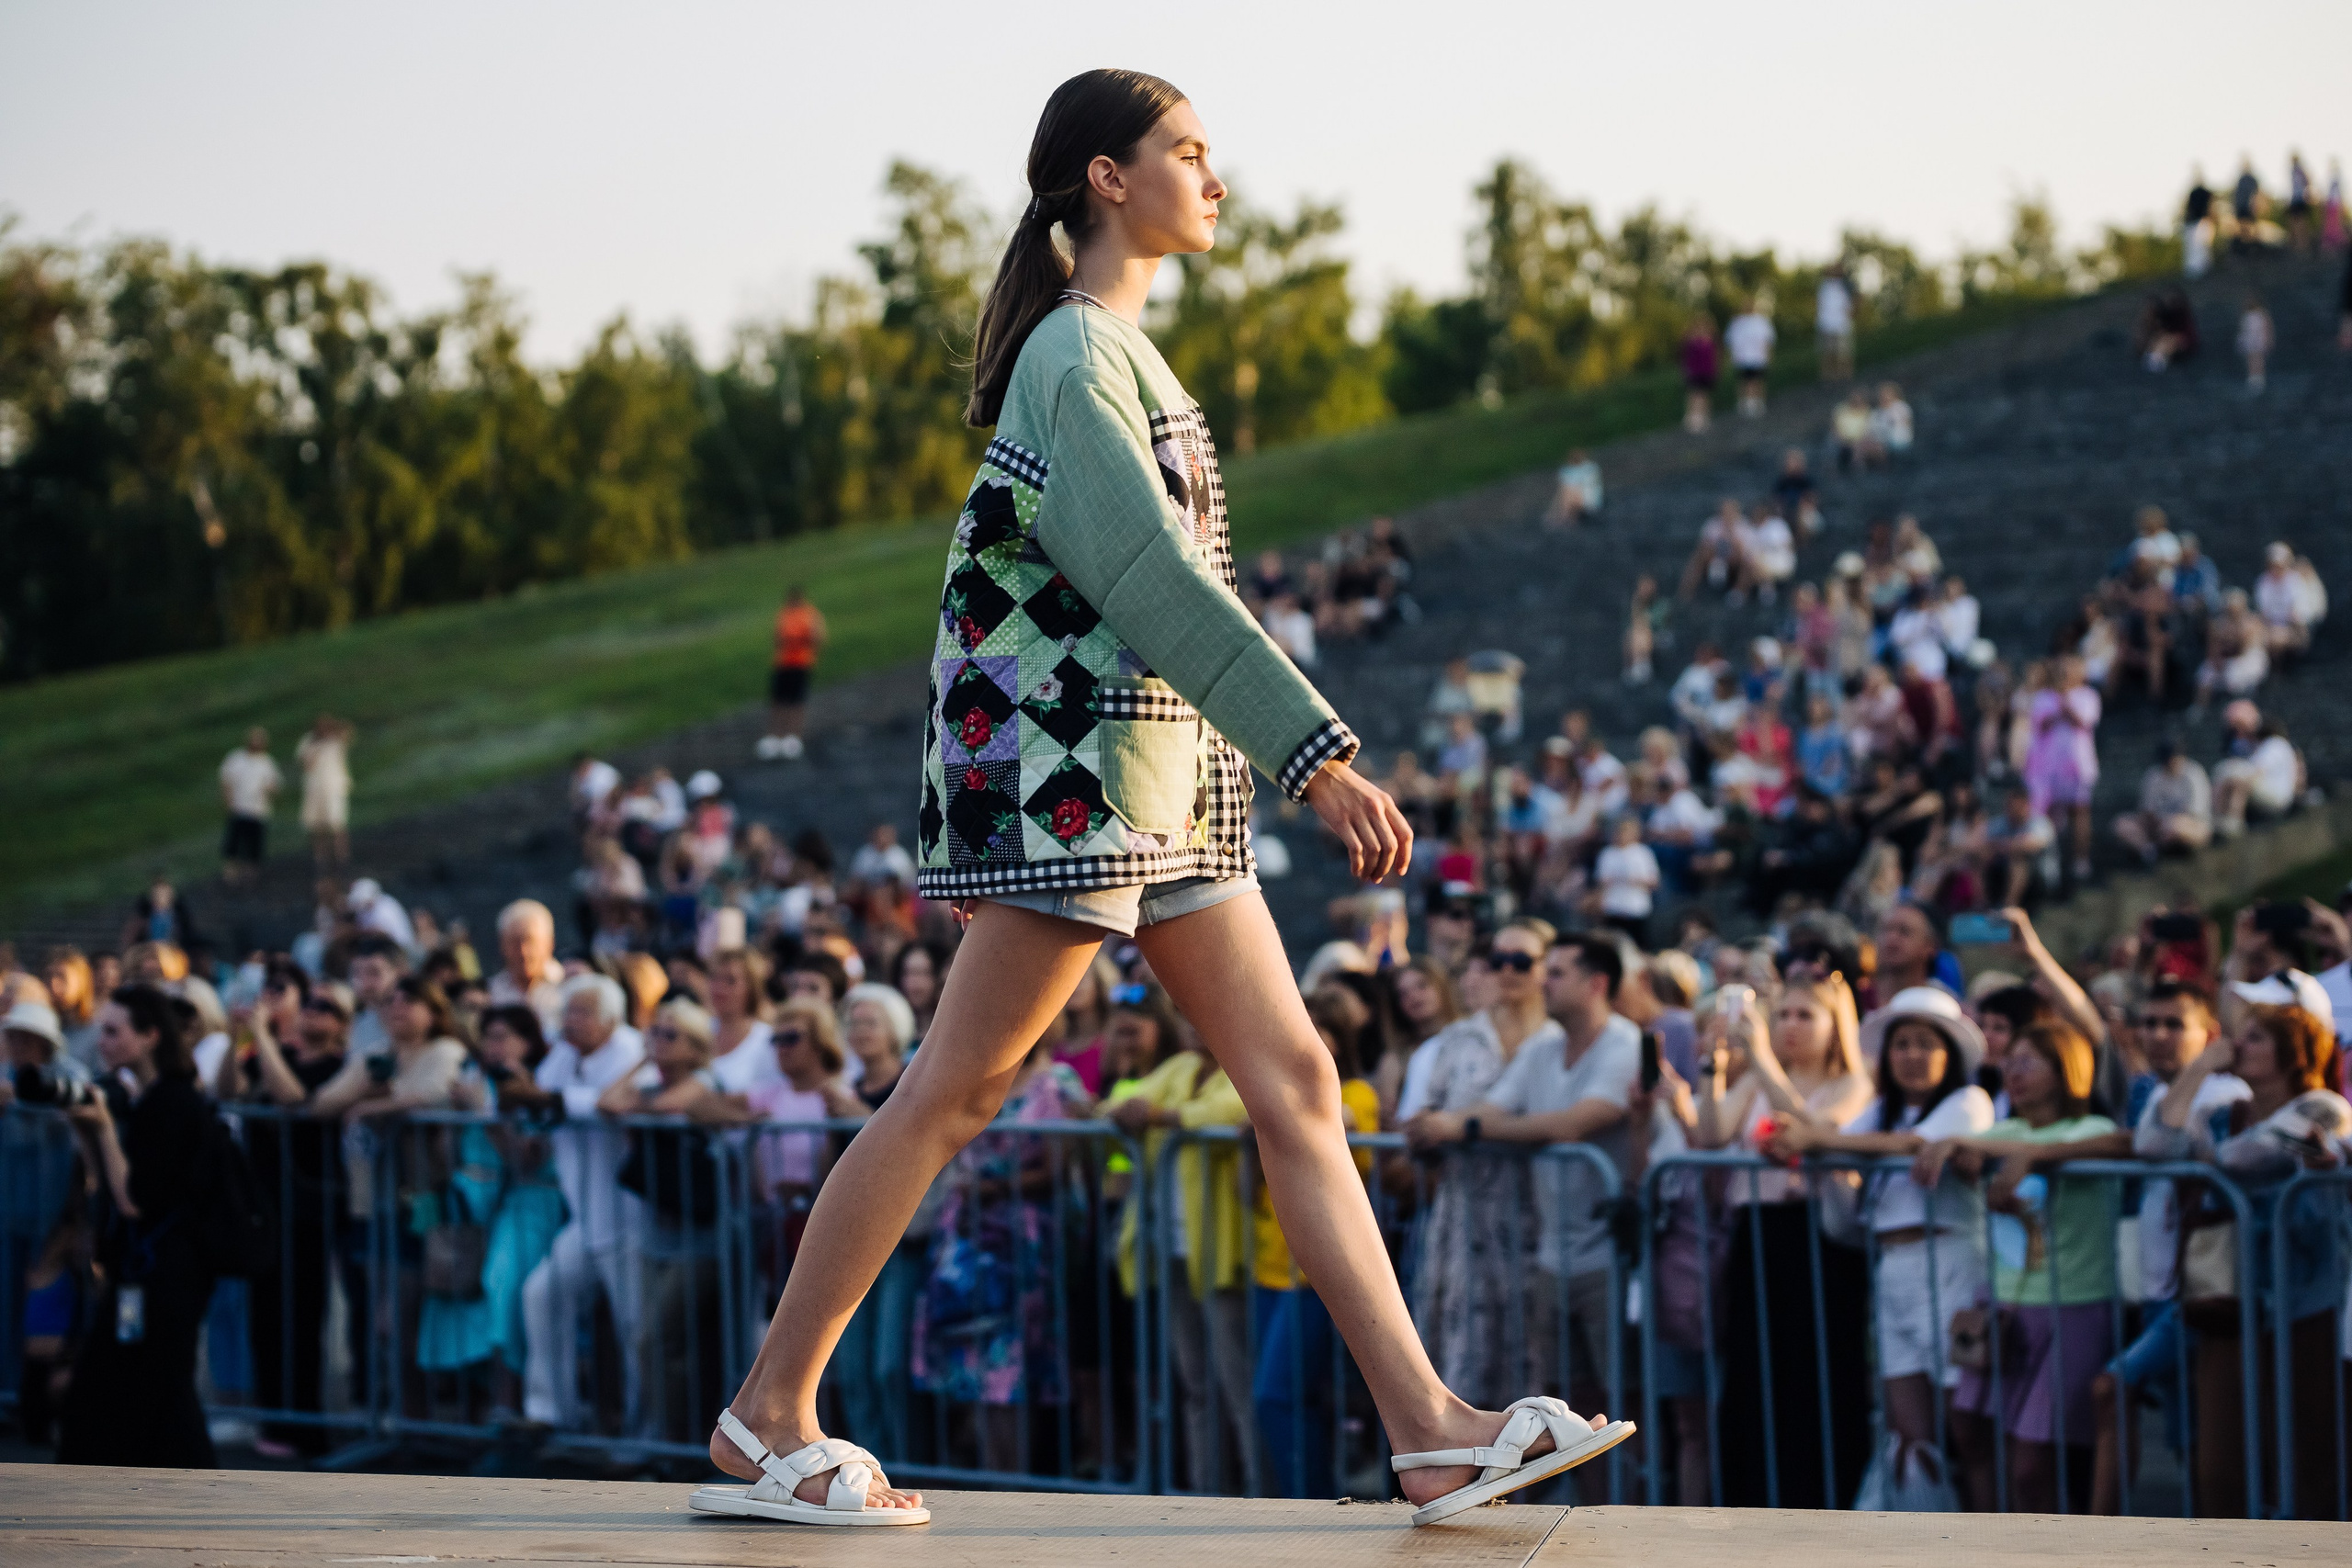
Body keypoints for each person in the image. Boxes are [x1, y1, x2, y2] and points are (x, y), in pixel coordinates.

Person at [698, 72, 1619, 1532]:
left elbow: (1158, 591)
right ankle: (769, 1413)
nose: (1216, 176)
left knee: (1297, 1080)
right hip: (1069, 775)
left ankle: (1432, 1429)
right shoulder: (1074, 353)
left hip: (1158, 777)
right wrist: (1313, 749)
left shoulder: (1115, 353)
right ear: (1105, 179)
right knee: (960, 1086)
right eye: (1188, 151)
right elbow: (1151, 577)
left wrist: (1257, 754)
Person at [1406, 933, 1640, 1493]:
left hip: (1610, 1250)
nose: (1542, 981)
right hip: (1551, 1253)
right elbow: (1494, 1107)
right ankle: (1584, 1508)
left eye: (1556, 971)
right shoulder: (1542, 1048)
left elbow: (1573, 1124)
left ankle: (1634, 1508)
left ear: (1596, 982)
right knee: (1566, 1398)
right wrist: (1465, 1122)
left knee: (1622, 1397)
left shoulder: (1624, 1042)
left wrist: (1462, 1127)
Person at [1769, 987, 1996, 1506]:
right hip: (1893, 1272)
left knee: (1968, 1430)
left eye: (1925, 1044)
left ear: (1950, 1053)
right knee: (1912, 1435)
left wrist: (1817, 1141)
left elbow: (1909, 1146)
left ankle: (1995, 1545)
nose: (1912, 1056)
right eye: (1902, 1044)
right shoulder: (1878, 1112)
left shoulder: (1969, 1101)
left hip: (1952, 1267)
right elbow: (1837, 1140)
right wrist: (1805, 1140)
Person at [2135, 998, 2348, 1517]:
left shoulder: (2324, 1106)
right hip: (2231, 1301)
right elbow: (2152, 1143)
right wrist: (2200, 1066)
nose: (2237, 1046)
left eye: (2254, 1037)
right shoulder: (2220, 1112)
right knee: (2221, 1463)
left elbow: (2245, 1157)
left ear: (2292, 1051)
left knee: (2306, 1454)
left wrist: (2207, 1160)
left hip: (2304, 1305)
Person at [1915, 1022, 2120, 1513]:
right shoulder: (2005, 1132)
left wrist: (2037, 1155)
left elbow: (2122, 1143)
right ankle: (1995, 1546)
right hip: (2003, 1307)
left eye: (2030, 1061)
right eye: (2010, 1061)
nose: (2014, 1072)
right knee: (1969, 1431)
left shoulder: (2089, 1128)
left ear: (2065, 1068)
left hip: (2071, 1308)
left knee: (2032, 1462)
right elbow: (1963, 1146)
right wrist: (1948, 1144)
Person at [1692, 970, 1876, 1508]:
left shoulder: (1852, 1081)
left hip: (1816, 1238)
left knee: (1813, 1370)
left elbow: (1813, 1131)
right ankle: (1752, 1495)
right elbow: (1712, 1132)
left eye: (1805, 1016)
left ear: (1833, 1025)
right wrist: (1715, 1066)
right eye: (1784, 1015)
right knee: (1754, 1369)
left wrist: (1766, 1064)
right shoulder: (1757, 1077)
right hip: (1758, 1233)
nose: (1790, 1027)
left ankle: (1820, 1496)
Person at [53, 987, 224, 1467]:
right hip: (145, 1268)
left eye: (114, 1031)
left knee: (159, 1389)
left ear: (150, 1036)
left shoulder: (172, 1103)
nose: (101, 1041)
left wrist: (106, 1129)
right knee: (139, 1389)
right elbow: (101, 1185)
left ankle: (197, 1492)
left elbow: (134, 1201)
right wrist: (91, 1131)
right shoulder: (145, 1097)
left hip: (169, 1271)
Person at [1400, 922, 1561, 1412]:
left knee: (1538, 1356)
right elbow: (1421, 1123)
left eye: (1522, 962)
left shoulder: (1559, 1040)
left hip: (1543, 1220)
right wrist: (1428, 1130)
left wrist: (1462, 1127)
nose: (1507, 972)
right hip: (1465, 1223)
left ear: (1544, 970)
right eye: (1498, 960)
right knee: (1462, 1356)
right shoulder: (1458, 1040)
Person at [520, 973, 651, 1433]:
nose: (569, 1021)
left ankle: (643, 1433)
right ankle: (551, 1414)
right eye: (567, 1010)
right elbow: (534, 1098)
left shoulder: (634, 1052)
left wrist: (551, 1098)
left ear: (611, 1018)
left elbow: (609, 1104)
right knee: (542, 1293)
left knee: (636, 1329)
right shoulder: (562, 1054)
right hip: (584, 1219)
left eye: (581, 1012)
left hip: (631, 1220)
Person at [2023, 656, 2100, 885]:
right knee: (2049, 816)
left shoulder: (2088, 696)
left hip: (2078, 766)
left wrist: (2065, 701)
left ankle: (2081, 860)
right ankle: (2050, 862)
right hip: (2049, 768)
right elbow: (2041, 725)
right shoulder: (2042, 697)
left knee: (2080, 812)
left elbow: (2082, 721)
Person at [2111, 740, 2212, 865]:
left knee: (2175, 827)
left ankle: (2181, 854)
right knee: (2121, 824)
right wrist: (2158, 823)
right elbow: (2147, 812)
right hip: (2158, 829)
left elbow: (2194, 814)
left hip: (2189, 827)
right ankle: (2149, 852)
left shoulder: (2194, 774)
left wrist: (2169, 823)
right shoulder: (2154, 775)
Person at [759, 585, 827, 761]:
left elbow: (817, 638)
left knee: (796, 701)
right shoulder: (784, 614)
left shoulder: (809, 615)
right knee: (779, 700)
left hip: (801, 664)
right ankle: (775, 736)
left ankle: (792, 736)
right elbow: (777, 637)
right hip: (783, 663)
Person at [486, 898, 565, 1032]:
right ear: (502, 945)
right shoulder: (490, 993)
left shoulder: (568, 985)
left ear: (549, 943)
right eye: (515, 942)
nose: (523, 952)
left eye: (531, 941)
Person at [218, 727, 283, 886]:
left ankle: (251, 874)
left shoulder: (267, 762)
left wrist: (269, 790)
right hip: (239, 807)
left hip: (258, 809)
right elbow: (226, 780)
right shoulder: (236, 758)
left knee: (255, 843)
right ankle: (231, 872)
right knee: (234, 842)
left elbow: (275, 785)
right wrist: (228, 801)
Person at [294, 715, 353, 869]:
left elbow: (348, 732)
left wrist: (334, 726)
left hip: (333, 789)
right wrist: (317, 745)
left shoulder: (335, 739)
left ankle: (341, 857)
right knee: (316, 826)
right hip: (314, 790)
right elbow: (305, 763)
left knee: (337, 824)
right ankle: (320, 858)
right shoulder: (308, 741)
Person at [1725, 301, 1775, 417]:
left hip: (1758, 357)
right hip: (1742, 358)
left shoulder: (1762, 321)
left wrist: (1768, 355)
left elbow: (1768, 340)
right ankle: (1744, 403)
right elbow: (1730, 341)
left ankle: (1758, 403)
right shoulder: (1737, 323)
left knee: (1758, 381)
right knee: (1744, 382)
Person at [1680, 314, 1718, 433]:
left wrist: (1715, 370)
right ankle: (1693, 418)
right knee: (1694, 395)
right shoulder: (1690, 342)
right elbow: (1685, 358)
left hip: (1706, 372)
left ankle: (1704, 417)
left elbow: (1714, 358)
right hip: (1694, 373)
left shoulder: (1710, 341)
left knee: (1704, 395)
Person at [1546, 448, 1602, 527]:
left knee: (1568, 489)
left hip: (1587, 502)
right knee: (1567, 490)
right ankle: (1562, 515)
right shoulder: (1589, 468)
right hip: (1582, 501)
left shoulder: (1588, 469)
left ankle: (1563, 516)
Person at [1816, 265, 1854, 380]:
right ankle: (1828, 378)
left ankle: (1845, 376)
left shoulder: (1844, 286)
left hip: (1841, 325)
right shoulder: (1824, 287)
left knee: (1843, 353)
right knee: (1828, 353)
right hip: (1827, 325)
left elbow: (1852, 303)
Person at [2235, 294, 2273, 394]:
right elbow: (2243, 328)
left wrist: (2267, 338)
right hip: (2249, 339)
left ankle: (2259, 376)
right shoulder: (2246, 315)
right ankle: (2253, 376)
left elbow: (2266, 327)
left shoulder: (2262, 314)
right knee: (2251, 358)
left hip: (2258, 338)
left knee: (2258, 358)